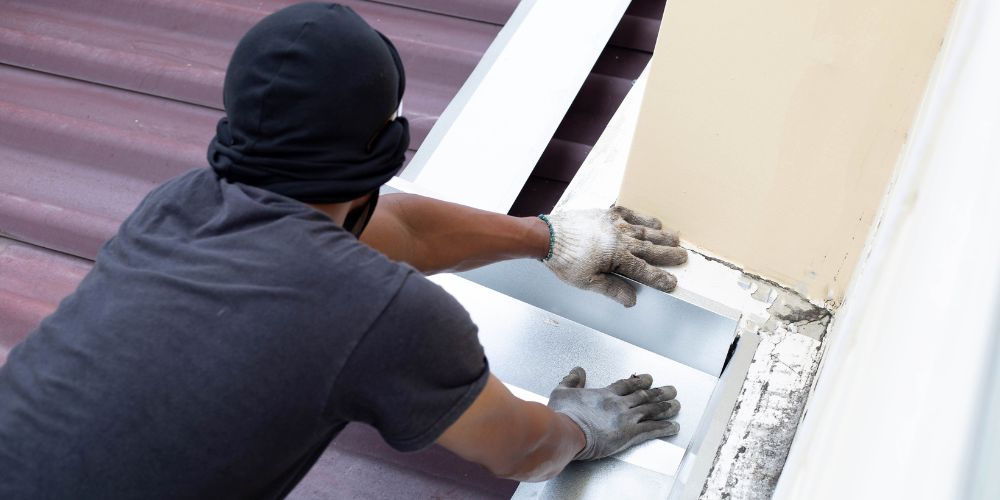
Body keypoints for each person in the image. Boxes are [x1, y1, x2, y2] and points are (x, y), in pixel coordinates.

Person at [0, 3, 688, 498]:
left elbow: (401, 233)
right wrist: (579, 427)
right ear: (383, 146)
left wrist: (551, 238)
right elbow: (522, 448)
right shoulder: (382, 313)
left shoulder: (179, 203)